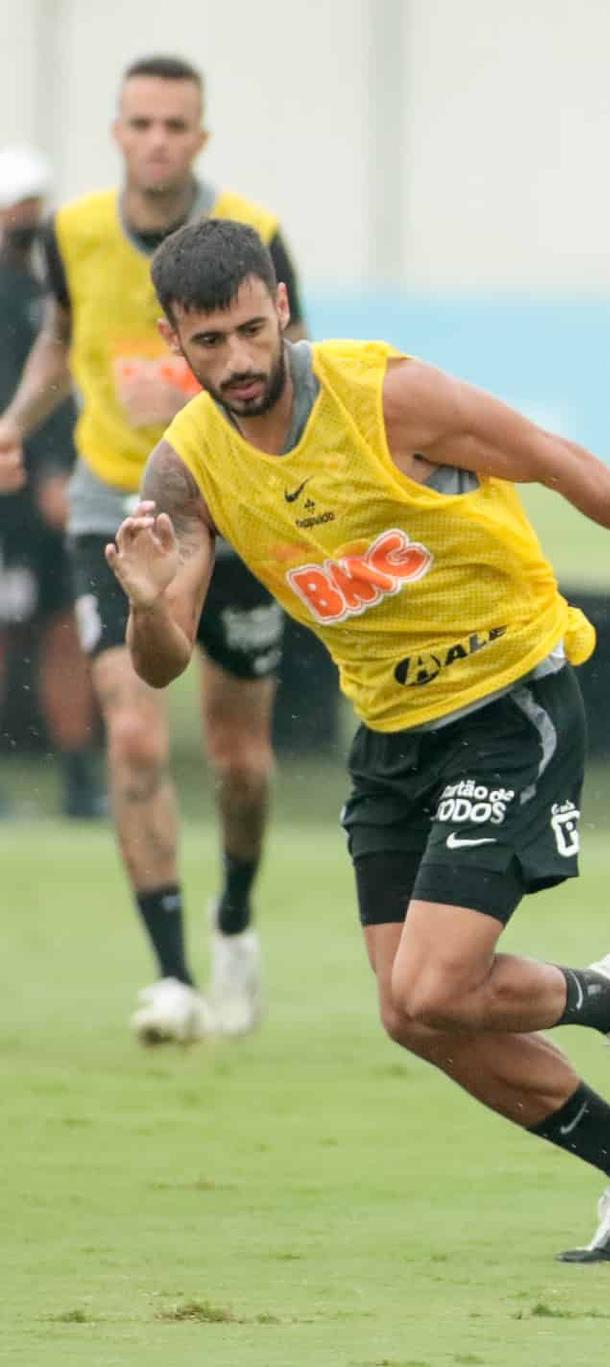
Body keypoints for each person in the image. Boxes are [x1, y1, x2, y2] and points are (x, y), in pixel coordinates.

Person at [107, 217, 610, 1260]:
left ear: (279, 305)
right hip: (393, 734)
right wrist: (142, 602)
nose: (237, 361)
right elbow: (166, 659)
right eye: (207, 342)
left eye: (250, 330)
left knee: (437, 984)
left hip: (509, 701)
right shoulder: (188, 468)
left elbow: (551, 457)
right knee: (412, 1016)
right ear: (172, 339)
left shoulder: (380, 395)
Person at [0, 56, 306, 1042]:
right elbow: (59, 334)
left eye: (178, 124)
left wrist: (185, 401)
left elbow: (293, 372)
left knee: (239, 759)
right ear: (118, 133)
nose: (159, 139)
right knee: (133, 731)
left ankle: (234, 921)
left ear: (201, 138)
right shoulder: (76, 233)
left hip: (235, 502)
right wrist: (17, 418)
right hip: (112, 506)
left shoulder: (253, 230)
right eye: (142, 123)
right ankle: (172, 977)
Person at [0, 145, 104, 820]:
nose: (31, 218)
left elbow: (60, 393)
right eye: (21, 207)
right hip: (9, 495)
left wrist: (64, 471)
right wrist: (36, 471)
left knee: (68, 629)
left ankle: (77, 781)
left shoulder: (44, 290)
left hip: (52, 493)